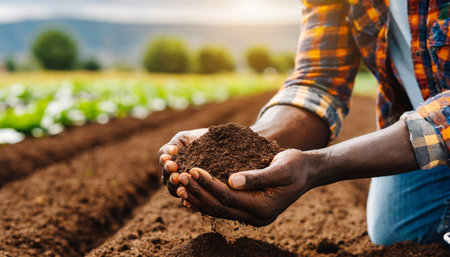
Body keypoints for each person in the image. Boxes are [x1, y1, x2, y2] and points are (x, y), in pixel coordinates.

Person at [159, 0, 450, 246]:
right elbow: (319, 80)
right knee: (396, 230)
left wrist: (318, 166)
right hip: (422, 124)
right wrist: (250, 144)